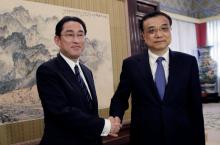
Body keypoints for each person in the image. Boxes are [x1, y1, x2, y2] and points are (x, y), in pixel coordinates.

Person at [109, 11, 205, 145]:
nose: (159, 34)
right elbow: (120, 97)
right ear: (143, 35)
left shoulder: (188, 62)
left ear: (170, 31)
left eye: (164, 28)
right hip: (145, 136)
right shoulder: (131, 64)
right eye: (151, 30)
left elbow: (195, 105)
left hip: (182, 135)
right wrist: (115, 117)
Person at [36, 16, 120, 145]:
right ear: (57, 40)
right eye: (69, 35)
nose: (76, 40)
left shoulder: (86, 71)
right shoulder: (47, 70)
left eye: (80, 35)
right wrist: (106, 125)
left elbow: (89, 111)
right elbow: (62, 112)